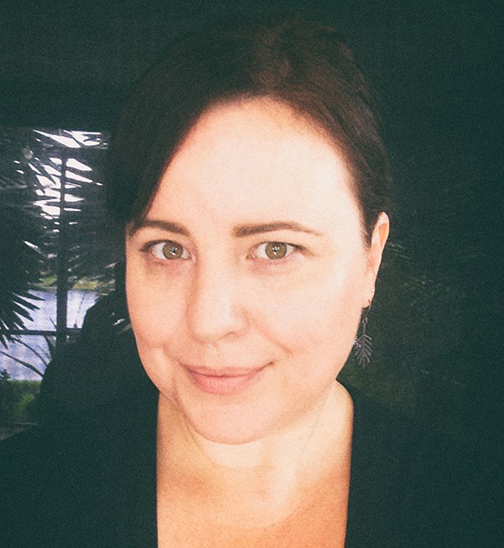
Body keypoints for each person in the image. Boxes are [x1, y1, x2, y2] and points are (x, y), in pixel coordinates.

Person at [1, 11, 473, 548]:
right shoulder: (21, 503)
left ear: (371, 259)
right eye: (168, 249)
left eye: (276, 249)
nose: (209, 321)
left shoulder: (474, 508)